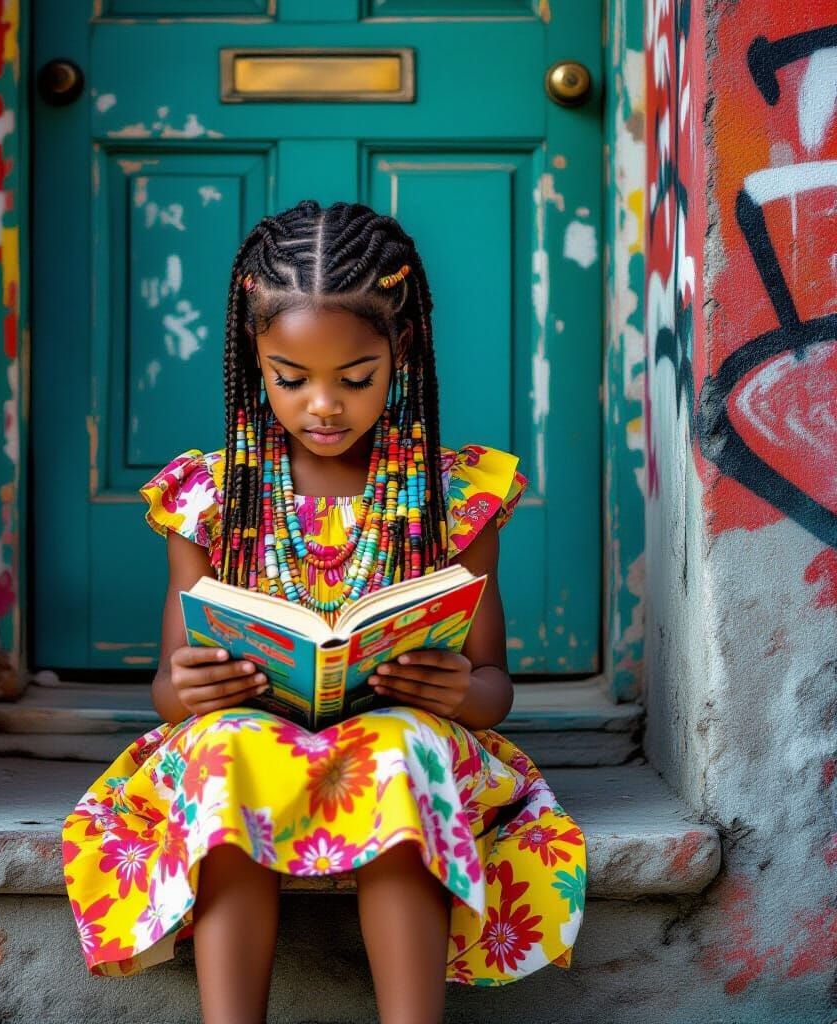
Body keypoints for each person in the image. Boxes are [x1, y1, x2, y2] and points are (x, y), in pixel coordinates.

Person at [62, 199, 587, 1023]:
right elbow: (169, 691)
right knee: (225, 750)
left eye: (355, 378)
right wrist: (191, 687)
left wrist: (458, 691)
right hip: (251, 740)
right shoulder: (211, 497)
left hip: (401, 742)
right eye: (291, 378)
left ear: (401, 348)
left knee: (400, 751)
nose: (323, 406)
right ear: (254, 358)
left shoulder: (453, 497)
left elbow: (493, 687)